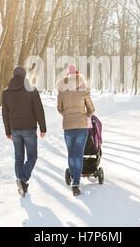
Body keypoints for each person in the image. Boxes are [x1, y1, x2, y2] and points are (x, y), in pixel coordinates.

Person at [2, 66, 47, 197]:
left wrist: (7, 131)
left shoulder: (6, 92)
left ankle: (22, 185)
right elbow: (39, 110)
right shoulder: (31, 90)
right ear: (24, 76)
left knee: (19, 157)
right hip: (29, 128)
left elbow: (5, 114)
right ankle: (22, 179)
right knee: (32, 156)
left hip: (15, 129)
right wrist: (43, 128)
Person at [56, 64, 95, 196]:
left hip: (68, 127)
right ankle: (76, 183)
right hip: (81, 127)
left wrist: (67, 115)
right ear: (78, 77)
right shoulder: (83, 90)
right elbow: (91, 109)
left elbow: (60, 109)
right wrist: (86, 115)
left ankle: (74, 177)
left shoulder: (62, 91)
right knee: (78, 154)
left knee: (71, 154)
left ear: (67, 77)